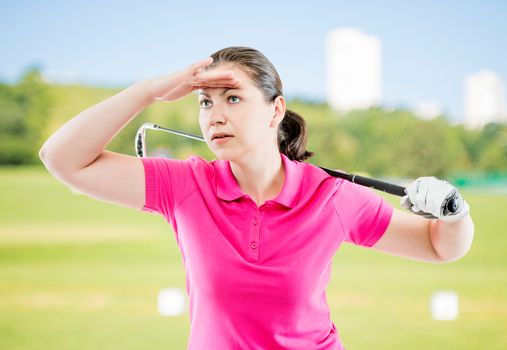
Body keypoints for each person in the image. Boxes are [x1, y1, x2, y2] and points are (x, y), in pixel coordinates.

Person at [39, 46, 474, 349]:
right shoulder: (185, 185)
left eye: (232, 97)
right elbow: (62, 159)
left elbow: (440, 245)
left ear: (276, 110)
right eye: (205, 103)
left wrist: (454, 211)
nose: (216, 115)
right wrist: (147, 91)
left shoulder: (330, 197)